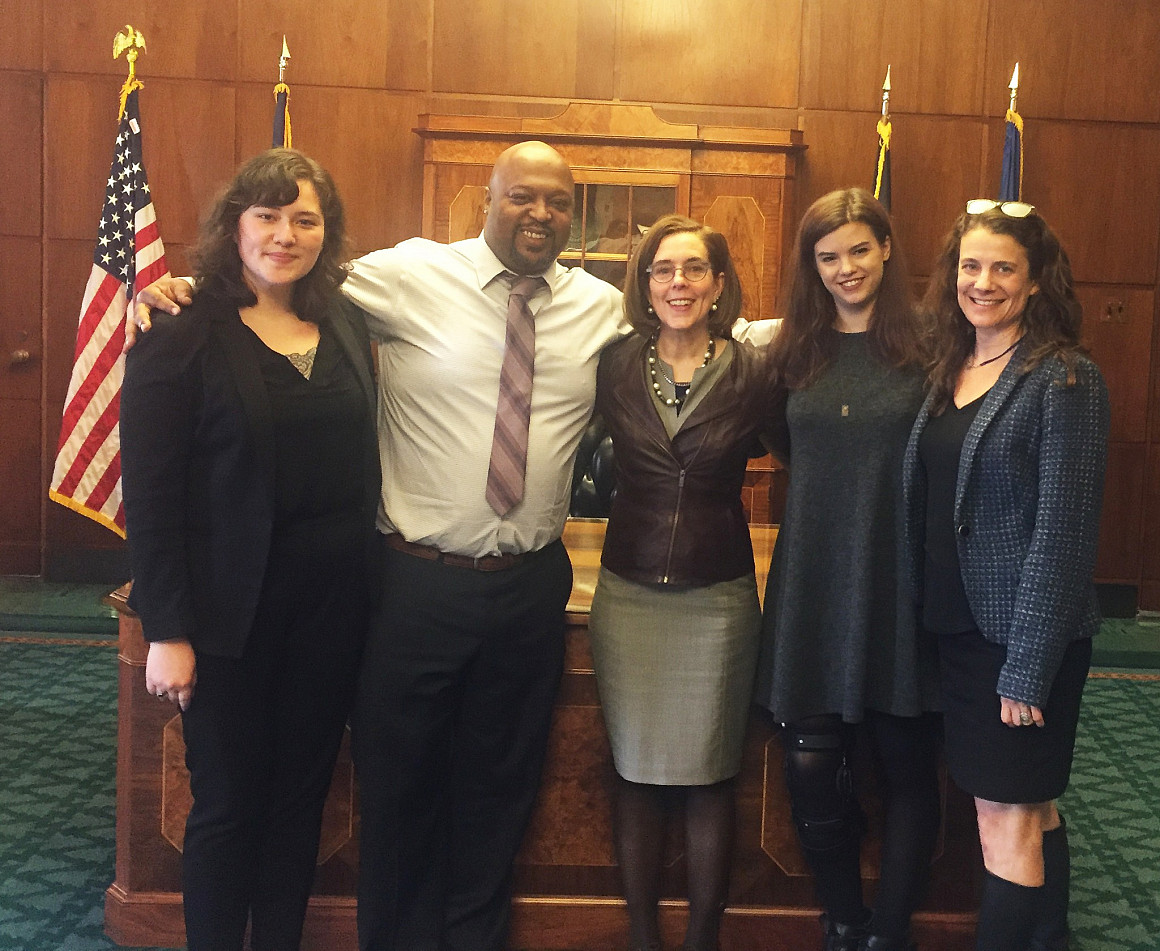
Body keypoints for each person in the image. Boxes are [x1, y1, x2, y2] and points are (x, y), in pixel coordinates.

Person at [133, 140, 775, 951]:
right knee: (397, 794)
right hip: (413, 586)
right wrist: (189, 289)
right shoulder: (406, 275)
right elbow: (286, 271)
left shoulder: (604, 307)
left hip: (527, 587)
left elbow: (701, 326)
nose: (538, 213)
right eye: (520, 197)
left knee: (497, 794)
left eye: (555, 201)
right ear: (488, 201)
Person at [120, 149, 380, 951]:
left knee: (300, 800)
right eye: (266, 215)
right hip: (227, 620)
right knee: (229, 803)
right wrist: (167, 629)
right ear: (235, 225)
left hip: (334, 614)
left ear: (326, 233)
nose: (284, 234)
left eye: (305, 218)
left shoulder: (346, 322)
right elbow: (152, 497)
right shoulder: (179, 331)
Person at [903, 201, 1108, 951]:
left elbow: (1063, 536)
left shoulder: (1065, 380)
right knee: (1033, 809)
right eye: (970, 266)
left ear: (1035, 281)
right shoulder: (949, 367)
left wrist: (1027, 669)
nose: (982, 281)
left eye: (1002, 268)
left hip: (1021, 643)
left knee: (1005, 820)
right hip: (957, 632)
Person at [753, 188, 940, 951]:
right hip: (813, 582)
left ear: (887, 248)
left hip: (899, 580)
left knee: (904, 768)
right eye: (828, 257)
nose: (845, 268)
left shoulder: (932, 347)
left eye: (859, 249)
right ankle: (842, 920)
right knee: (808, 763)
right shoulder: (793, 349)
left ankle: (889, 934)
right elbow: (781, 441)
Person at [590, 215, 779, 951]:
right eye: (663, 270)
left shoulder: (756, 371)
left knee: (709, 775)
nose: (678, 283)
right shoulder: (611, 364)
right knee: (633, 771)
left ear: (719, 284)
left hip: (718, 597)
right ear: (644, 283)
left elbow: (812, 453)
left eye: (695, 269)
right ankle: (642, 934)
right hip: (629, 590)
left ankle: (703, 936)